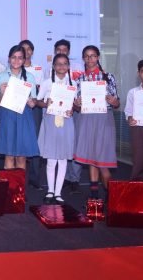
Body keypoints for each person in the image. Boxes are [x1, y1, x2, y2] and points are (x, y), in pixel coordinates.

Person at [73, 45, 119, 199]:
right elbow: (76, 106)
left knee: (103, 160)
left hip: (104, 119)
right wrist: (76, 104)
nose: (90, 59)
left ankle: (112, 197)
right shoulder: (79, 79)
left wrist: (114, 101)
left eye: (93, 55)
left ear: (98, 57)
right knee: (91, 158)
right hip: (86, 118)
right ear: (83, 58)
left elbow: (117, 103)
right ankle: (94, 196)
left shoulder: (108, 77)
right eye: (86, 56)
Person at [0, 45, 39, 170]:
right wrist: (1, 92)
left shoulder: (29, 77)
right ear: (9, 58)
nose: (16, 60)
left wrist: (31, 102)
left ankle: (19, 184)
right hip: (7, 116)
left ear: (24, 60)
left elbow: (34, 100)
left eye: (20, 58)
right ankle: (10, 184)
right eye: (13, 57)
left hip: (24, 116)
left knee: (21, 157)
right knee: (9, 155)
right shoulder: (1, 76)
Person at [36, 54, 75, 204]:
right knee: (51, 159)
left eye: (65, 64)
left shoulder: (73, 83)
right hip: (51, 121)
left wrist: (72, 109)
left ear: (68, 66)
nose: (61, 66)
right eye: (58, 64)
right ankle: (50, 191)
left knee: (63, 159)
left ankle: (58, 193)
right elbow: (38, 101)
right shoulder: (47, 83)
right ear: (53, 66)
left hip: (66, 122)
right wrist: (46, 104)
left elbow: (74, 104)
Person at [48, 39, 84, 193]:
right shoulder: (48, 74)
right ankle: (54, 186)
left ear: (68, 52)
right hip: (52, 117)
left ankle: (72, 179)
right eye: (59, 50)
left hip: (70, 116)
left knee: (70, 147)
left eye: (64, 50)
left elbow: (77, 100)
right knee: (54, 152)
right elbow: (43, 98)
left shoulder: (77, 71)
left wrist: (75, 106)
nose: (62, 52)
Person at [19, 39, 44, 190]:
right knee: (20, 141)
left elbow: (41, 90)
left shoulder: (38, 69)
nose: (26, 51)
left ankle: (35, 177)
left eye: (29, 49)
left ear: (32, 52)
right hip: (18, 108)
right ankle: (19, 177)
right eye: (23, 49)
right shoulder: (15, 68)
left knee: (35, 140)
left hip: (34, 108)